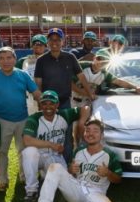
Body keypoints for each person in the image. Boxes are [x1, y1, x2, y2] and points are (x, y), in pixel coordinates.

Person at [30, 119, 136, 202]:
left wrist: (108, 173)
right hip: (76, 188)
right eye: (87, 131)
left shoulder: (110, 155)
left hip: (96, 191)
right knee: (55, 167)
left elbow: (118, 179)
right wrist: (71, 170)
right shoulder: (78, 151)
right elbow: (72, 173)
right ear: (84, 134)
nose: (90, 134)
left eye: (95, 131)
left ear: (102, 135)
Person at [0, 46, 42, 190]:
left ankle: (24, 177)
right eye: (2, 58)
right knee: (2, 151)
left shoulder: (23, 75)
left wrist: (45, 103)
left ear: (15, 59)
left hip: (22, 119)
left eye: (9, 58)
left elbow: (36, 92)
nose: (6, 61)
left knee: (23, 150)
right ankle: (3, 180)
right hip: (1, 120)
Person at [34, 28, 95, 162]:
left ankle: (67, 164)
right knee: (48, 134)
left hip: (65, 102)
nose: (54, 42)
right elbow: (38, 83)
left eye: (57, 40)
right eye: (51, 40)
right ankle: (46, 164)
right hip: (47, 104)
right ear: (48, 42)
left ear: (63, 41)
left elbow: (81, 76)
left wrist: (89, 93)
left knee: (67, 135)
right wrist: (39, 101)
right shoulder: (41, 60)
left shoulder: (70, 57)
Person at [21, 90, 90, 202]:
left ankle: (46, 175)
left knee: (63, 184)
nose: (48, 106)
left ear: (57, 104)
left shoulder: (64, 114)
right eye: (44, 103)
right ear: (40, 105)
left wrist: (82, 121)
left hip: (55, 157)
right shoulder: (34, 118)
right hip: (39, 156)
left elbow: (85, 108)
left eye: (51, 103)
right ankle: (31, 191)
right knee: (29, 151)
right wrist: (51, 144)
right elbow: (27, 140)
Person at [72, 48, 140, 108]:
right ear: (94, 58)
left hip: (89, 103)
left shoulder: (104, 74)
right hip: (72, 101)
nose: (101, 62)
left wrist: (135, 87)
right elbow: (69, 83)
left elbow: (119, 82)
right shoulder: (82, 66)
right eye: (99, 58)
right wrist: (86, 93)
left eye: (105, 61)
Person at [16, 34, 47, 115]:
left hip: (46, 95)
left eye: (40, 44)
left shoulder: (50, 60)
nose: (37, 46)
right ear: (32, 46)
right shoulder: (23, 61)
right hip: (29, 96)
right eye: (35, 44)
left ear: (45, 46)